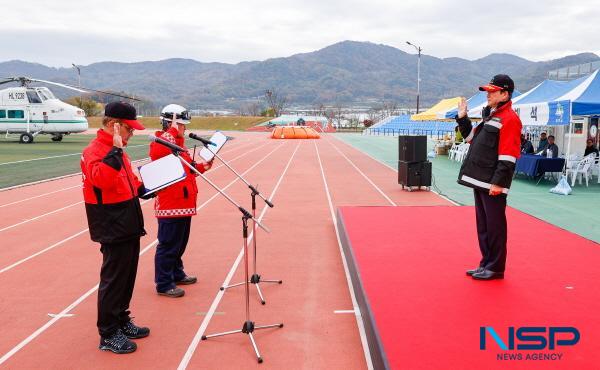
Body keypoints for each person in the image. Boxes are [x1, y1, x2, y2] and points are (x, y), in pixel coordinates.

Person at [81, 101, 152, 354]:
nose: (132, 134)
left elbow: (129, 181)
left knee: (127, 275)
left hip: (127, 219)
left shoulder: (118, 150)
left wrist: (147, 188)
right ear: (114, 126)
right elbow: (100, 179)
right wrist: (115, 151)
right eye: (129, 129)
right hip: (111, 221)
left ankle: (121, 319)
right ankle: (108, 333)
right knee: (114, 278)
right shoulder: (96, 151)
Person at [455, 74, 522, 280]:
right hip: (480, 180)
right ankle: (486, 263)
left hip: (492, 183)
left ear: (505, 93)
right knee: (484, 226)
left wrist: (498, 183)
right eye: (488, 91)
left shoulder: (510, 119)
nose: (488, 95)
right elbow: (470, 139)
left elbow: (509, 156)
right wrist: (463, 118)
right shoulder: (492, 116)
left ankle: (495, 267)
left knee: (495, 227)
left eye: (492, 91)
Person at [150, 104, 213, 298]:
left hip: (184, 203)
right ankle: (163, 283)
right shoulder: (161, 141)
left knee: (180, 244)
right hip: (170, 204)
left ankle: (176, 272)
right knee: (168, 244)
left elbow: (189, 170)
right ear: (171, 123)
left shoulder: (180, 146)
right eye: (182, 125)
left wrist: (203, 166)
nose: (184, 129)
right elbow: (157, 154)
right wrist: (172, 130)